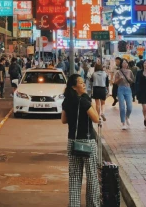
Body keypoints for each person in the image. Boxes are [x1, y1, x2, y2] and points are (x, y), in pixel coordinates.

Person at [61, 73, 101, 207]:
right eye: (80, 83)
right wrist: (87, 99)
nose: (83, 84)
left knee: (74, 177)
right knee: (92, 177)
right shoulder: (84, 100)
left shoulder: (66, 101)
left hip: (73, 141)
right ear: (74, 87)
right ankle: (93, 204)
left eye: (83, 82)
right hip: (87, 142)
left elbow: (63, 120)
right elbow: (96, 118)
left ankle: (74, 204)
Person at [113, 58, 134, 130]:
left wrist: (129, 78)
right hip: (120, 89)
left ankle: (127, 116)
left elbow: (132, 80)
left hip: (128, 89)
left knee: (130, 107)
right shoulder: (118, 72)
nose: (125, 64)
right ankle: (123, 123)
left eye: (126, 63)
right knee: (122, 107)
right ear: (121, 64)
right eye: (123, 63)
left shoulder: (130, 71)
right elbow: (115, 82)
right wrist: (119, 79)